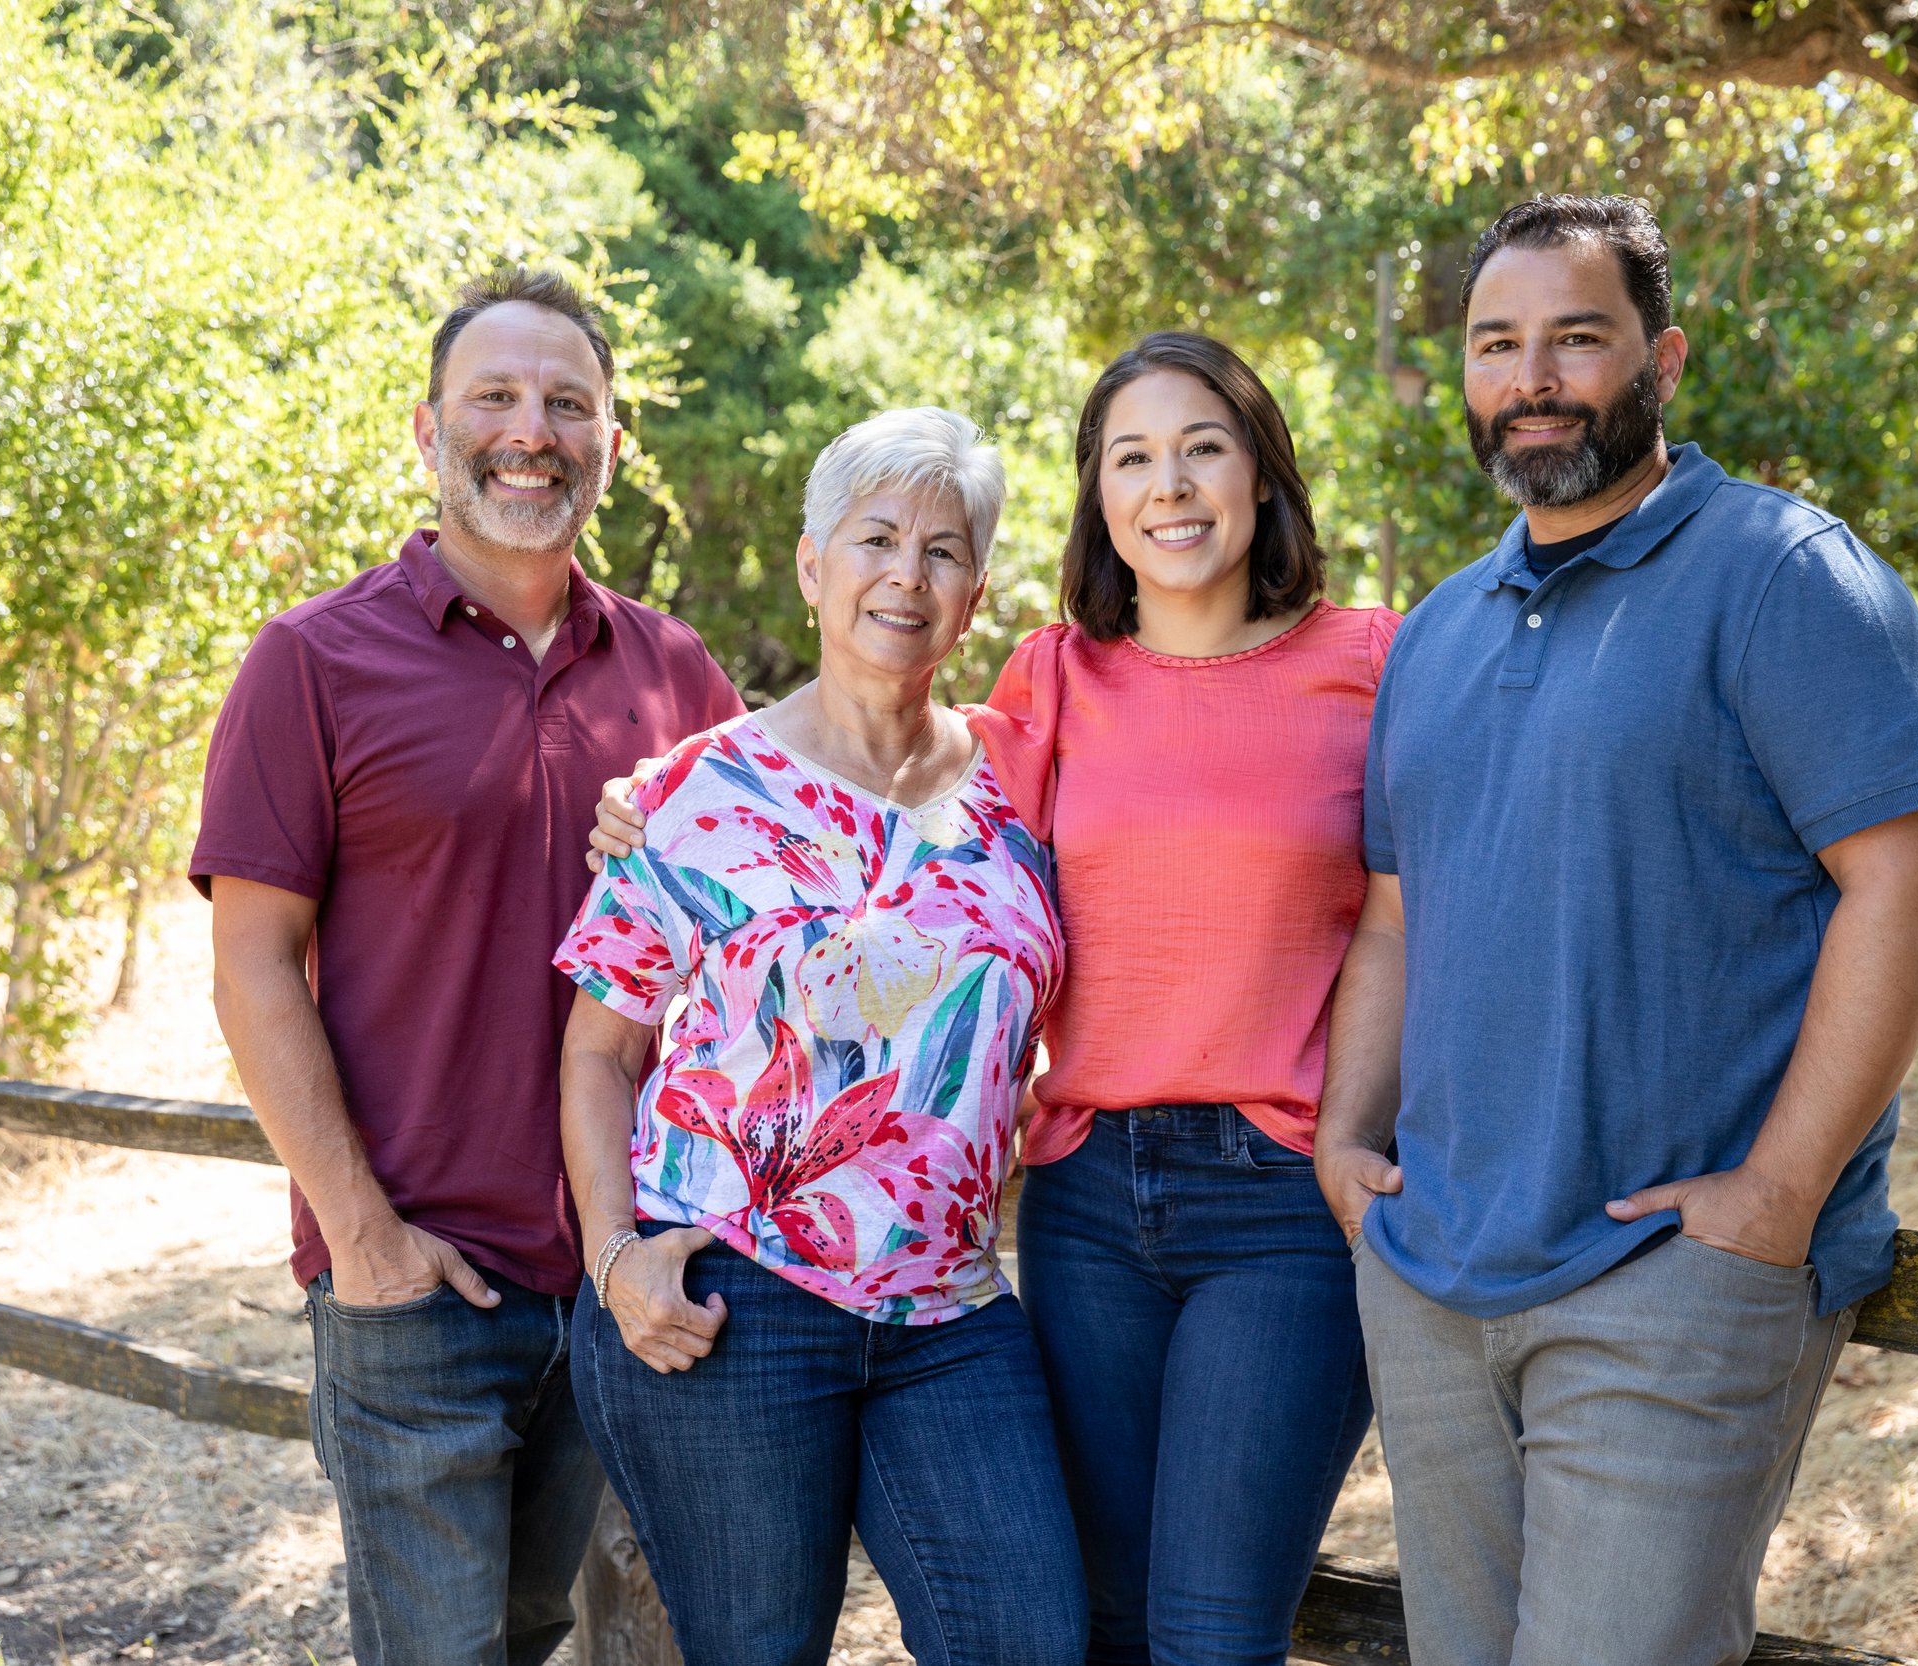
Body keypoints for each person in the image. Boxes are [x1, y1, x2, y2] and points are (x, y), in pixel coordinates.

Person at [590, 334, 1394, 1666]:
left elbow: (1426, 908)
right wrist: (664, 788)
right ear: (1099, 500)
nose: (1172, 483)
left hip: (1257, 1196)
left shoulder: (1378, 662)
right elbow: (854, 780)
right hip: (1077, 1202)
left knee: (1189, 1633)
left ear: (1262, 471)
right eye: (1132, 456)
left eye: (1203, 446)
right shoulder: (1054, 680)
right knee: (1102, 1623)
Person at [1315, 193, 1918, 1666]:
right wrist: (1343, 1144)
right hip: (1433, 1273)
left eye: (1577, 337)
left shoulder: (1786, 575)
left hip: (1667, 1280)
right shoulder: (1438, 624)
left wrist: (1779, 1195)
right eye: (1498, 343)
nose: (1532, 375)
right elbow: (1396, 913)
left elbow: (1910, 888)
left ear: (1660, 357)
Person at [194, 268, 745, 1666]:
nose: (531, 429)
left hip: (620, 1281)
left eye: (569, 402)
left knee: (538, 1627)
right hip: (420, 1282)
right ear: (429, 432)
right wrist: (363, 1236)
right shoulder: (312, 661)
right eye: (493, 397)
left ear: (612, 446)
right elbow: (251, 965)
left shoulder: (677, 676)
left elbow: (766, 949)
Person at [555, 406, 1087, 1666]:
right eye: (876, 538)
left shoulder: (1023, 794)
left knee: (1029, 1636)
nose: (907, 573)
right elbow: (595, 1051)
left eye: (944, 549)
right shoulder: (692, 794)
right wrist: (613, 1253)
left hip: (951, 1303)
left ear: (974, 592)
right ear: (811, 565)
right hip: (733, 1295)